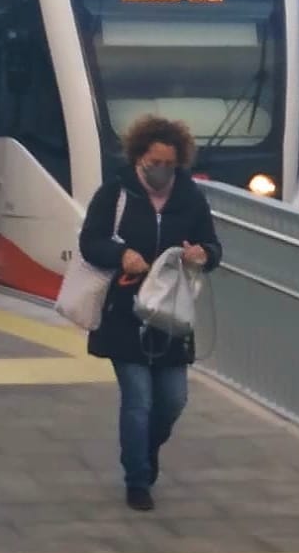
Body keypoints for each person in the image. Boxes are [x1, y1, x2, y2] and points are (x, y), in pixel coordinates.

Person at [77, 115, 220, 512]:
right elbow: (90, 241)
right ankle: (137, 478)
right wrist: (120, 254)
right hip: (125, 314)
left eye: (169, 164)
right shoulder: (115, 194)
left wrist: (203, 254)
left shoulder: (191, 197)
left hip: (171, 316)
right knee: (138, 400)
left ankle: (146, 449)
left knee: (173, 400)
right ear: (139, 158)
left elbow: (213, 247)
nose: (161, 171)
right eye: (154, 163)